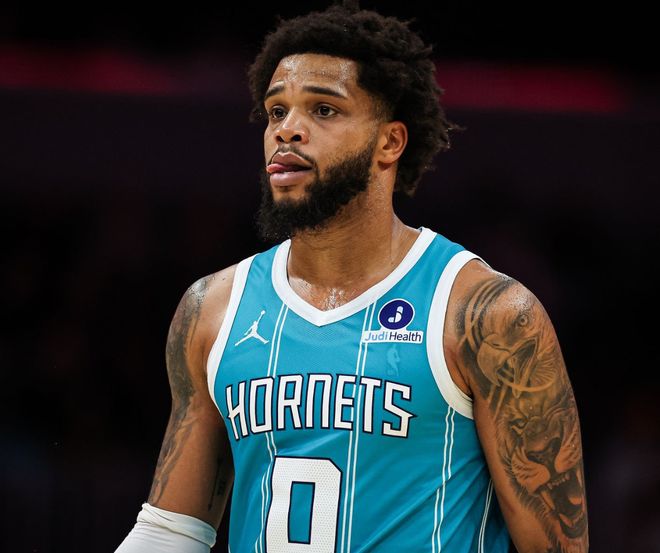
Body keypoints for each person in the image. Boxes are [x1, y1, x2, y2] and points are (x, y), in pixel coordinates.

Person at [115, 3, 589, 552]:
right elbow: (171, 533)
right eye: (275, 111)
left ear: (390, 142)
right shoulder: (212, 309)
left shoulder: (486, 314)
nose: (287, 130)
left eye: (323, 109)